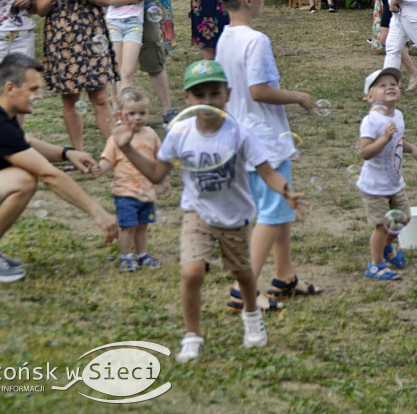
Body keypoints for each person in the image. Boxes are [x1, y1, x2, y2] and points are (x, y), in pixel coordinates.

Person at [114, 59, 307, 362]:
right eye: (199, 95)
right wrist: (126, 149)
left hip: (235, 217)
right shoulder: (179, 133)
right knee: (191, 273)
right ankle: (192, 335)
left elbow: (268, 171)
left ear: (227, 94)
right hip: (198, 213)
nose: (207, 101)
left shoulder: (240, 133)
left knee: (244, 274)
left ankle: (251, 313)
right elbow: (156, 175)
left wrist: (287, 191)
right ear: (186, 98)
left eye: (214, 94)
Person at [0, 54, 118, 282]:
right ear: (11, 88)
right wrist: (97, 212)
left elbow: (25, 141)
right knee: (23, 179)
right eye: (33, 89)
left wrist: (66, 153)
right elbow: (49, 175)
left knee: (21, 174)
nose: (38, 96)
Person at [215, 0, 323, 313]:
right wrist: (298, 97)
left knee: (278, 207)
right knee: (273, 212)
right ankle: (240, 291)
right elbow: (259, 91)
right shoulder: (256, 41)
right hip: (263, 140)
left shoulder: (225, 38)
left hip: (241, 135)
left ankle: (284, 277)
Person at [34, 0, 116, 153]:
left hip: (90, 34)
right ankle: (78, 152)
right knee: (70, 99)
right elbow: (40, 10)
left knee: (99, 97)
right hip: (61, 39)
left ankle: (114, 152)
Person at [357, 67, 417, 280]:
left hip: (394, 181)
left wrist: (412, 148)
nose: (390, 87)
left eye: (393, 84)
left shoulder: (398, 116)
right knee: (382, 226)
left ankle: (387, 248)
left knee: (403, 218)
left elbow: (397, 142)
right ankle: (375, 264)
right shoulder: (371, 121)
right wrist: (384, 139)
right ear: (369, 97)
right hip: (375, 185)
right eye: (382, 85)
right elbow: (365, 152)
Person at [98, 86, 169, 272]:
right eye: (131, 113)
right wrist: (99, 169)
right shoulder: (116, 138)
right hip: (125, 192)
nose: (137, 117)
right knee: (128, 227)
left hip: (147, 191)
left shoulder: (151, 135)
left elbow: (160, 160)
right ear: (120, 114)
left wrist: (166, 181)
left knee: (142, 226)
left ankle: (142, 254)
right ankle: (126, 256)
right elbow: (108, 159)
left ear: (149, 113)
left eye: (142, 113)